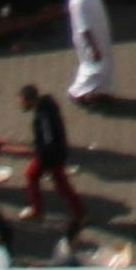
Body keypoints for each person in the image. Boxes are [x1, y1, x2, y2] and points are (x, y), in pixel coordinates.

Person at [18, 85, 84, 238]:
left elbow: (49, 140)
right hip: (55, 154)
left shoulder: (43, 116)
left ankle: (40, 211)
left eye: (23, 102)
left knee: (46, 180)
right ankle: (78, 213)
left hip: (50, 156)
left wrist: (39, 153)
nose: (21, 105)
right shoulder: (47, 106)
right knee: (56, 183)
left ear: (30, 100)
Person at [62, 0, 116, 105]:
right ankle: (77, 93)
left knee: (104, 66)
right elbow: (83, 28)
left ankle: (99, 92)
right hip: (91, 41)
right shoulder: (78, 0)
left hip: (100, 35)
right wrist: (93, 47)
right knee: (92, 69)